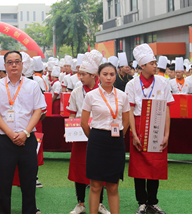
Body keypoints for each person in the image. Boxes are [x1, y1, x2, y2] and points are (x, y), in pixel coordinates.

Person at [0, 50, 46, 214]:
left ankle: (29, 210)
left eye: (17, 61)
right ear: (4, 65)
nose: (14, 65)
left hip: (28, 140)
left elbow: (38, 111)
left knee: (28, 181)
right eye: (10, 62)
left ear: (22, 64)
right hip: (6, 140)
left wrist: (25, 133)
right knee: (4, 181)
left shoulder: (32, 85)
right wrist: (11, 134)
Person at [126, 44, 174, 214]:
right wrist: (133, 133)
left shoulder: (163, 82)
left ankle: (152, 201)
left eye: (155, 62)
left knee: (156, 166)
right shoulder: (132, 84)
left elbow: (167, 109)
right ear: (143, 66)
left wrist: (167, 133)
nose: (156, 65)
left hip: (157, 124)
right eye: (152, 63)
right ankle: (141, 201)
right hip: (138, 125)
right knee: (139, 168)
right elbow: (130, 111)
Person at [81, 57, 130, 214]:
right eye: (105, 74)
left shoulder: (122, 96)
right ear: (98, 75)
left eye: (112, 74)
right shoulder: (91, 96)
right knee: (95, 185)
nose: (109, 77)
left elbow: (127, 122)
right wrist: (95, 137)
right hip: (96, 140)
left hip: (116, 142)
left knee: (113, 185)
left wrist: (117, 136)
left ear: (115, 75)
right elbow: (83, 123)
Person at [66, 51, 110, 214]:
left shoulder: (104, 91)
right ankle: (80, 203)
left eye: (83, 74)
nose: (80, 77)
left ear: (93, 75)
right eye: (79, 74)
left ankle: (99, 203)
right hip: (79, 135)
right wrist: (68, 130)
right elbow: (72, 114)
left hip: (99, 135)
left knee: (100, 169)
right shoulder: (77, 92)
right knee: (79, 169)